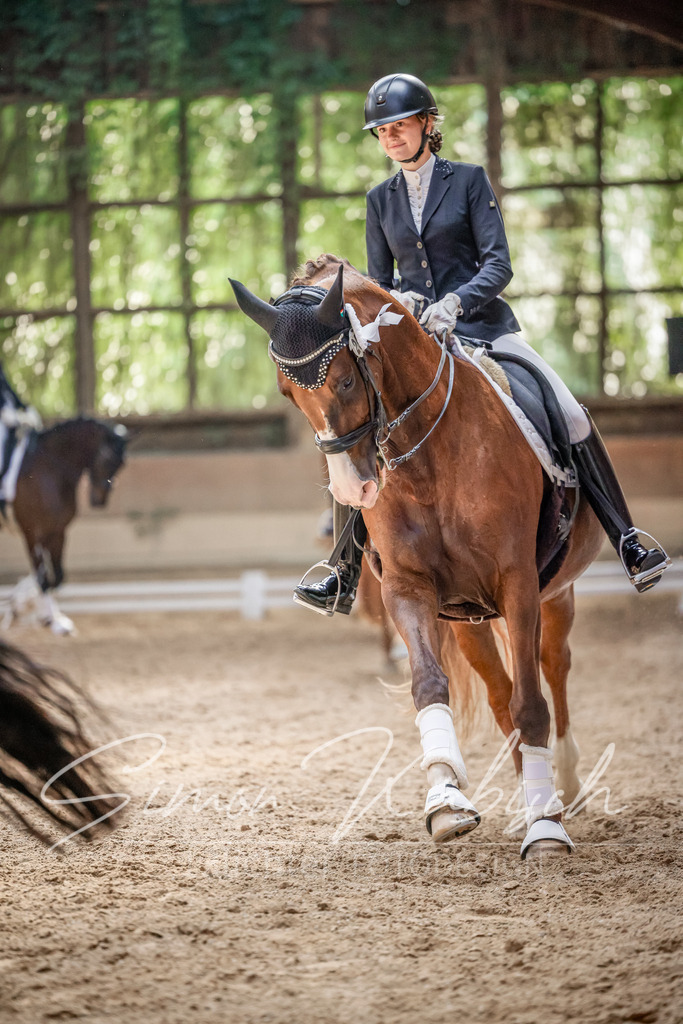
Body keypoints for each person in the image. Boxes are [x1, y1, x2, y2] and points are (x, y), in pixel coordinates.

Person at [294, 72, 670, 615]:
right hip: (414, 339)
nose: (392, 137)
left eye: (401, 126)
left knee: (568, 409)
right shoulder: (379, 200)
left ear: (427, 124)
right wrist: (408, 304)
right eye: (382, 131)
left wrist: (455, 303)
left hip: (485, 328)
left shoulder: (468, 181)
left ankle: (628, 539)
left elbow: (499, 264)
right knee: (362, 424)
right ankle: (343, 570)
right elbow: (377, 282)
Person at [0, 363, 42, 501]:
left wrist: (26, 408)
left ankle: (9, 484)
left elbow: (9, 391)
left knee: (23, 437)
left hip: (8, 414)